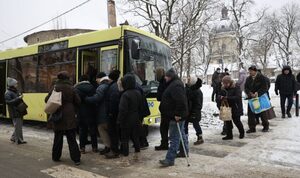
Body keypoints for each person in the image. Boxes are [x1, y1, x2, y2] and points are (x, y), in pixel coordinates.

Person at [45, 71, 81, 165]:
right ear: (67, 78)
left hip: (58, 114)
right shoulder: (71, 88)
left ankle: (56, 157)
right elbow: (78, 101)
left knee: (58, 137)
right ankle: (76, 159)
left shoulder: (55, 87)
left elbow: (46, 100)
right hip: (69, 115)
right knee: (72, 138)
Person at [159, 69, 189, 167]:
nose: (165, 77)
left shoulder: (175, 85)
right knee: (181, 134)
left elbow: (181, 101)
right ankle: (184, 151)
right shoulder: (174, 84)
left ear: (170, 76)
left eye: (166, 76)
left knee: (174, 138)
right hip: (176, 115)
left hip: (175, 116)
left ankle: (169, 159)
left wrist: (177, 114)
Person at [118, 74, 144, 158]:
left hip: (126, 120)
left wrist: (119, 120)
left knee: (125, 138)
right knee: (135, 137)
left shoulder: (125, 94)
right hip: (136, 119)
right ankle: (137, 152)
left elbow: (123, 110)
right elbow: (141, 107)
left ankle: (125, 155)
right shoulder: (138, 92)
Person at [86, 72, 111, 155]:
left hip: (103, 112)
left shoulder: (101, 87)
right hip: (110, 112)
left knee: (101, 128)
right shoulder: (110, 84)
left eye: (96, 78)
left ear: (100, 78)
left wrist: (87, 99)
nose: (96, 80)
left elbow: (97, 98)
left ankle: (107, 147)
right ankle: (112, 146)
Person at [74, 75, 98, 154]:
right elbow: (95, 99)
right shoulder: (92, 87)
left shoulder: (76, 88)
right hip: (91, 111)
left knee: (82, 131)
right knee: (93, 130)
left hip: (81, 112)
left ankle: (82, 148)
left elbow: (76, 101)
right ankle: (94, 148)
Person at [244, 65, 269, 133]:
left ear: (255, 71)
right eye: (249, 71)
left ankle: (265, 126)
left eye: (251, 71)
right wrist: (249, 93)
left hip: (259, 98)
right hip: (251, 98)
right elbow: (245, 88)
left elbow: (265, 87)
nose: (250, 72)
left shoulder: (261, 77)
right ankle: (252, 128)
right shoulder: (248, 78)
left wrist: (257, 93)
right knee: (251, 113)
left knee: (262, 112)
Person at [5, 77, 27, 144]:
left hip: (19, 110)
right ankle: (18, 140)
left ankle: (14, 138)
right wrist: (18, 98)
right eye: (16, 84)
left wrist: (20, 97)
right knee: (18, 126)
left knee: (18, 126)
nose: (17, 85)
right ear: (12, 84)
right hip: (15, 111)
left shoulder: (15, 91)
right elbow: (8, 102)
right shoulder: (8, 92)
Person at [105, 70, 121, 159]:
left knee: (112, 132)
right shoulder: (115, 86)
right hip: (114, 113)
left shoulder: (113, 87)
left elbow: (113, 102)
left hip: (112, 114)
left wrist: (111, 113)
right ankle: (114, 150)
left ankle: (114, 151)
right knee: (113, 132)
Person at [185, 77, 204, 145]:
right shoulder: (191, 89)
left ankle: (200, 137)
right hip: (190, 110)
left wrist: (194, 111)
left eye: (189, 80)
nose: (188, 81)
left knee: (196, 124)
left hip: (194, 111)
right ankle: (185, 138)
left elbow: (198, 103)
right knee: (186, 124)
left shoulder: (197, 91)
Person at [155, 67, 170, 151]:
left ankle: (164, 144)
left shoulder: (162, 83)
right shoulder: (166, 81)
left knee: (164, 127)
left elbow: (159, 97)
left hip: (165, 108)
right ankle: (164, 143)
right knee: (165, 127)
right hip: (166, 107)